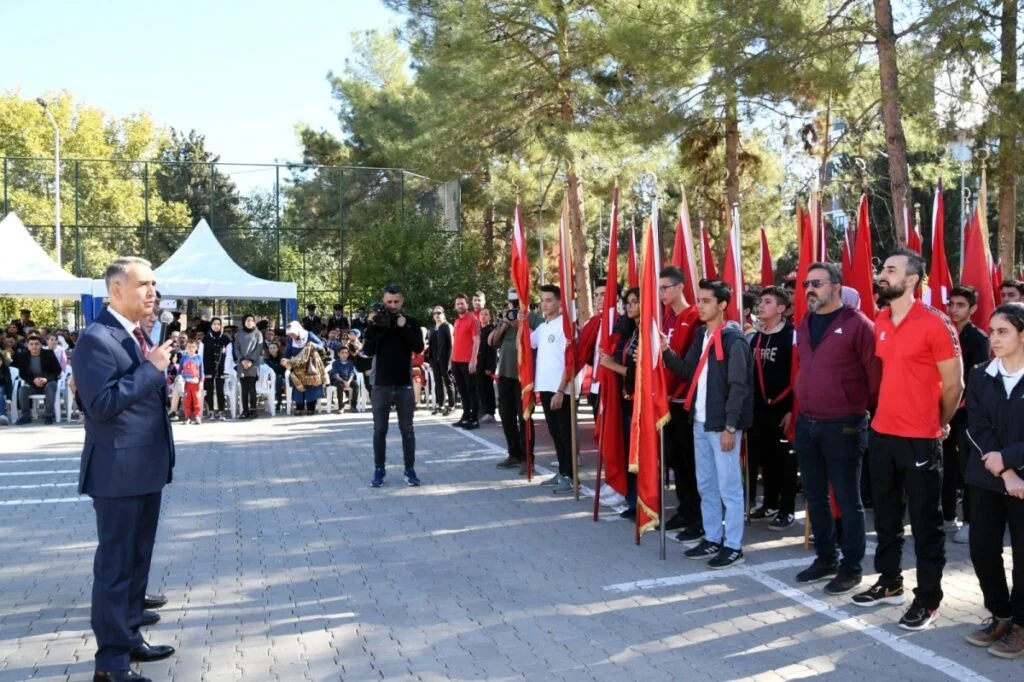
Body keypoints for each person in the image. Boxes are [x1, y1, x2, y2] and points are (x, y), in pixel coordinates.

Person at [74, 256, 176, 682]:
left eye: (154, 284)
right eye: (143, 285)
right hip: (117, 473)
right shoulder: (96, 339)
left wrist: (150, 364)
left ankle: (130, 636)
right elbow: (99, 405)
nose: (153, 292)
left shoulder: (134, 334)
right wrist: (151, 370)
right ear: (116, 291)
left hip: (144, 468)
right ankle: (111, 664)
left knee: (137, 561)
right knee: (115, 569)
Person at [854, 248, 964, 632]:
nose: (882, 275)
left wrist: (938, 421)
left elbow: (955, 384)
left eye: (890, 270)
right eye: (883, 269)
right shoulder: (881, 319)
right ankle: (889, 581)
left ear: (913, 279)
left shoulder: (936, 323)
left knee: (925, 521)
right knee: (885, 515)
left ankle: (928, 600)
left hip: (920, 437)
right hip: (883, 432)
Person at [792, 262, 880, 596]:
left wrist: (854, 408)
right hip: (807, 422)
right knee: (814, 495)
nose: (810, 289)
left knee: (847, 496)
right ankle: (825, 558)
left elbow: (874, 377)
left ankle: (851, 567)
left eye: (817, 283)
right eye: (806, 284)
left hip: (843, 424)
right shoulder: (805, 322)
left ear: (837, 286)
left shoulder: (859, 326)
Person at [662, 279, 753, 568]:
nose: (699, 305)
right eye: (699, 300)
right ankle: (713, 537)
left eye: (706, 301)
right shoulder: (701, 334)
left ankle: (734, 545)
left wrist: (730, 427)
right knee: (706, 485)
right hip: (700, 423)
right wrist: (665, 352)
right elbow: (689, 371)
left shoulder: (733, 340)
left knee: (729, 488)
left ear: (722, 305)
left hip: (721, 426)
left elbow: (739, 387)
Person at [963, 303, 1024, 657]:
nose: (994, 338)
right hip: (987, 477)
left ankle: (1021, 625)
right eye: (992, 331)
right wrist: (1005, 470)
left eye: (1003, 332)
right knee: (982, 549)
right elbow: (977, 426)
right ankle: (1000, 614)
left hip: (1020, 482)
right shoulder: (981, 373)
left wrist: (1012, 461)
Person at [362, 284, 425, 487]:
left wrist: (403, 326)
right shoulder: (377, 323)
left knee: (407, 429)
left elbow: (418, 347)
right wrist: (373, 326)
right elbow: (368, 350)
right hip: (380, 384)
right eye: (388, 302)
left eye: (396, 301)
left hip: (404, 385)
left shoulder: (410, 322)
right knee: (380, 430)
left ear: (402, 301)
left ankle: (410, 469)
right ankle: (379, 470)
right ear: (384, 301)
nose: (392, 305)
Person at [658, 266, 703, 541]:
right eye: (659, 288)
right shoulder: (666, 320)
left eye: (665, 287)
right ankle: (684, 509)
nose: (661, 293)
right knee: (675, 460)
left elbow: (691, 364)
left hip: (686, 401)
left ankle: (699, 516)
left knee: (691, 462)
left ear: (680, 287)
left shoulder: (694, 317)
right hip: (667, 402)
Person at [748, 286, 797, 531]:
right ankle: (769, 503)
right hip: (760, 410)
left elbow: (797, 375)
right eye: (760, 301)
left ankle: (787, 509)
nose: (761, 305)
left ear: (781, 309)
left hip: (783, 409)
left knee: (785, 462)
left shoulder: (791, 335)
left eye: (767, 302)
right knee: (765, 459)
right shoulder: (757, 337)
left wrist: (791, 410)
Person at [945, 285, 991, 544]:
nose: (954, 309)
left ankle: (970, 521)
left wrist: (957, 401)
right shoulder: (943, 332)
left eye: (960, 305)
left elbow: (975, 380)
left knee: (967, 467)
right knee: (945, 464)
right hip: (943, 410)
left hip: (966, 414)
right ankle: (947, 515)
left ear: (972, 309)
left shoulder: (979, 339)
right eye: (951, 303)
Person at [598, 287, 641, 517]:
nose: (630, 306)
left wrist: (612, 365)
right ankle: (632, 501)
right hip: (625, 401)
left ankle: (644, 504)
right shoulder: (629, 332)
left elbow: (640, 374)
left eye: (635, 301)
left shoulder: (647, 334)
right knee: (628, 455)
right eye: (628, 302)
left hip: (640, 404)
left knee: (641, 456)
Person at [530, 284, 576, 495]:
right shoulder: (543, 327)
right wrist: (520, 321)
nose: (544, 304)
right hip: (546, 388)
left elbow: (570, 362)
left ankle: (570, 475)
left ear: (559, 302)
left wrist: (561, 390)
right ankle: (563, 470)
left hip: (562, 390)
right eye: (542, 300)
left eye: (549, 300)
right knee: (555, 433)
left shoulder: (564, 327)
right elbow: (527, 341)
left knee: (565, 434)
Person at [490, 291, 535, 473]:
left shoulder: (533, 317)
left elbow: (533, 339)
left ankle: (527, 459)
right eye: (511, 303)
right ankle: (514, 454)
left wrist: (521, 323)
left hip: (523, 378)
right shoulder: (505, 319)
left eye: (516, 302)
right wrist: (505, 323)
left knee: (524, 418)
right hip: (505, 376)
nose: (513, 306)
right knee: (506, 416)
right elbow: (491, 341)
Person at [13, 334, 62, 425]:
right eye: (31, 344)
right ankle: (26, 416)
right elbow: (22, 374)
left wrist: (46, 379)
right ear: (27, 346)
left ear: (40, 345)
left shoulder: (49, 354)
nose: (34, 346)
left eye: (36, 344)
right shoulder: (23, 356)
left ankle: (49, 415)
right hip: (33, 384)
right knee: (23, 389)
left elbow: (57, 370)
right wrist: (33, 380)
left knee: (52, 386)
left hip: (48, 382)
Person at [282, 321, 326, 415]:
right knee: (297, 382)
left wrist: (315, 345)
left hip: (310, 365)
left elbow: (321, 344)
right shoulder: (291, 340)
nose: (292, 336)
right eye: (289, 334)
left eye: (292, 333)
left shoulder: (309, 335)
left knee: (311, 383)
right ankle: (299, 407)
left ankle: (311, 407)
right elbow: (286, 354)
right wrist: (285, 362)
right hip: (298, 367)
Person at [451, 293, 481, 429]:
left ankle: (475, 418)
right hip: (456, 361)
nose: (460, 305)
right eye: (458, 303)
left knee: (471, 391)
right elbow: (455, 342)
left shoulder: (472, 319)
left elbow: (477, 340)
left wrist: (473, 360)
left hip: (467, 362)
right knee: (462, 391)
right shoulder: (456, 321)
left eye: (462, 303)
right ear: (455, 306)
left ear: (467, 305)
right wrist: (450, 361)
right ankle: (465, 416)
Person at [233, 314, 264, 419]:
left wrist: (250, 360)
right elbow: (236, 348)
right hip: (242, 364)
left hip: (253, 364)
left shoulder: (258, 333)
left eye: (251, 320)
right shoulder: (239, 334)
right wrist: (242, 360)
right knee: (244, 388)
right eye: (247, 320)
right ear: (244, 322)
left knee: (252, 388)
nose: (249, 322)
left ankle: (253, 410)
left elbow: (259, 348)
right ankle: (245, 410)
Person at [427, 307, 455, 415]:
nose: (437, 315)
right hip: (434, 359)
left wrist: (450, 360)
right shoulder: (432, 328)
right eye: (435, 313)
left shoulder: (447, 326)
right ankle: (440, 405)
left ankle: (451, 406)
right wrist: (430, 360)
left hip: (445, 358)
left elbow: (452, 345)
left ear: (443, 314)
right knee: (438, 382)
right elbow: (431, 345)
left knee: (448, 381)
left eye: (439, 313)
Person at [201, 318, 231, 421]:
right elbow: (201, 355)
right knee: (209, 390)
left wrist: (226, 370)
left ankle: (221, 412)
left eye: (218, 324)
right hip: (208, 368)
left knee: (220, 390)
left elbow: (229, 355)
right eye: (214, 324)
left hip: (221, 368)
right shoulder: (205, 339)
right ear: (211, 325)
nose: (216, 326)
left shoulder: (225, 339)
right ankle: (211, 412)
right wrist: (202, 370)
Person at [476, 307, 498, 423]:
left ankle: (490, 412)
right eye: (482, 314)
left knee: (487, 388)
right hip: (478, 364)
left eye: (486, 314)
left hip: (486, 365)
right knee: (480, 388)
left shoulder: (491, 330)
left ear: (490, 317)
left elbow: (492, 351)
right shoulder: (479, 330)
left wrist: (490, 367)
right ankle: (483, 411)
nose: (483, 316)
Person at [178, 340, 204, 425]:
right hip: (186, 383)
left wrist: (201, 381)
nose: (191, 349)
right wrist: (179, 380)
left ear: (196, 348)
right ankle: (187, 416)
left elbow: (201, 371)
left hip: (196, 383)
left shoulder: (198, 358)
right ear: (186, 348)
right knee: (187, 400)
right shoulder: (183, 358)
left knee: (196, 400)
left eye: (193, 347)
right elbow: (179, 370)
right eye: (189, 347)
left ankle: (197, 416)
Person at [329, 346, 359, 411]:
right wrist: (344, 381)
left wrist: (348, 382)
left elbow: (351, 374)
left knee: (356, 385)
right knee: (340, 386)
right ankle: (341, 407)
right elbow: (336, 375)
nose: (344, 355)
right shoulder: (335, 363)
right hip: (339, 380)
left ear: (348, 354)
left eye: (346, 353)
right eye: (342, 353)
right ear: (338, 354)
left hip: (348, 379)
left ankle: (353, 405)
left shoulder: (350, 362)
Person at [264, 342, 286, 412]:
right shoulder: (267, 358)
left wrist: (271, 365)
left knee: (278, 378)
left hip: (280, 377)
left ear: (277, 349)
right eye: (270, 348)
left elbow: (280, 370)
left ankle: (279, 402)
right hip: (269, 377)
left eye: (274, 348)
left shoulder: (282, 358)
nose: (272, 350)